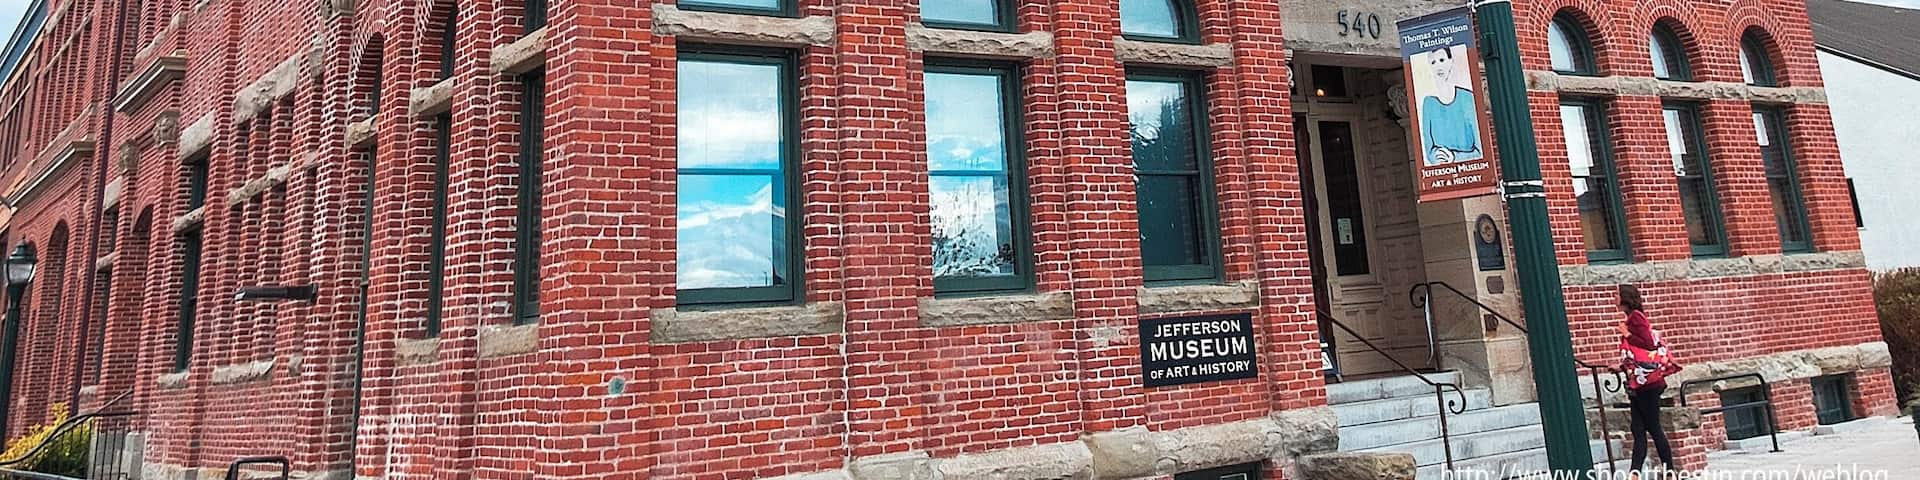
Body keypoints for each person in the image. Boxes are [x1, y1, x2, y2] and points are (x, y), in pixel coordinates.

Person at [1617, 285, 1678, 478]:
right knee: (1637, 429)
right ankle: (1634, 473)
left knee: (1653, 427)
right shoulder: (1631, 318)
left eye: (1617, 295)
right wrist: (1620, 366)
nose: (1614, 299)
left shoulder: (1636, 317)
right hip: (1638, 381)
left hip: (1648, 383)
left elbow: (1648, 345)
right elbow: (1635, 353)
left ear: (1625, 298)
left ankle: (1669, 471)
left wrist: (1627, 334)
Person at [1419, 46, 1483, 166]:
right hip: (1443, 170)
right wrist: (1438, 157)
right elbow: (1429, 150)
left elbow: (1480, 150)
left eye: (1441, 60)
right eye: (1433, 62)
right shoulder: (1428, 103)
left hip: (1469, 170)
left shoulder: (1467, 98)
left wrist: (1455, 157)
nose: (1438, 66)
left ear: (1450, 61)